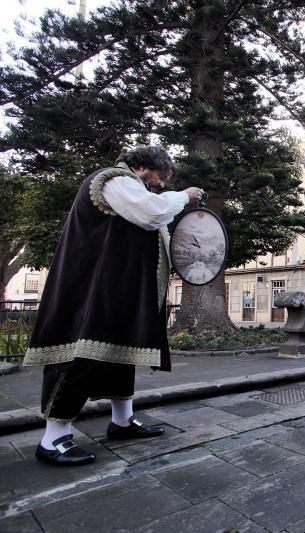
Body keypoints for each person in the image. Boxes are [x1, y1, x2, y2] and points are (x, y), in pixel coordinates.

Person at [22, 146, 204, 466]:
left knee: (122, 356)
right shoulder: (113, 180)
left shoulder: (131, 187)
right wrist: (181, 196)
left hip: (119, 289)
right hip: (92, 288)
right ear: (144, 168)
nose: (160, 185)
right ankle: (54, 438)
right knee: (80, 356)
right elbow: (151, 213)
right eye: (160, 178)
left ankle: (122, 422)